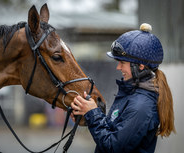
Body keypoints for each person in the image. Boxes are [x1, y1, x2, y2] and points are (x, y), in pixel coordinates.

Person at [71, 23, 176, 153]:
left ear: (141, 66)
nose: (118, 67)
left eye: (122, 62)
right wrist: (88, 117)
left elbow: (112, 147)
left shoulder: (141, 107)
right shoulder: (131, 93)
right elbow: (114, 130)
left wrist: (93, 113)